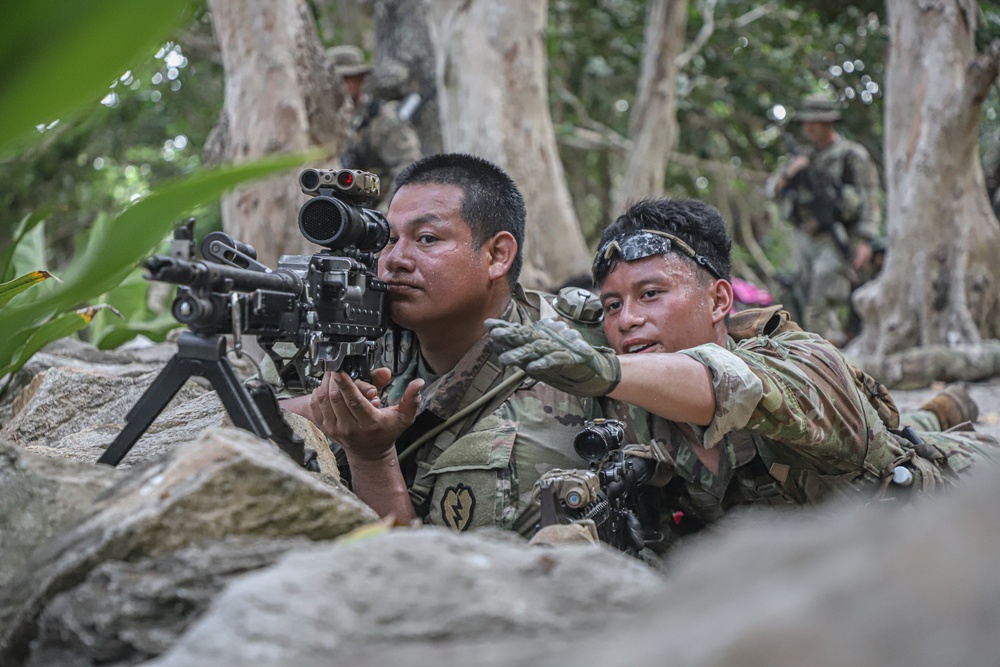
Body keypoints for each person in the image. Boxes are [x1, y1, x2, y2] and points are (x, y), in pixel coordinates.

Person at [488, 197, 996, 546]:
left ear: (719, 299)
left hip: (947, 510)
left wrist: (605, 370)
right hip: (796, 565)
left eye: (651, 294)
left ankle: (937, 417)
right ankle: (935, 410)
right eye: (614, 305)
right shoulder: (632, 402)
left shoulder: (803, 360)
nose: (628, 319)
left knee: (919, 441)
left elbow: (732, 384)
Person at [282, 153, 604, 535]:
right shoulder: (357, 326)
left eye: (427, 239)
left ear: (497, 255)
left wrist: (371, 457)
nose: (395, 260)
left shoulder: (562, 374)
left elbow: (439, 584)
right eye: (387, 240)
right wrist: (300, 411)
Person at [768, 94, 882, 347]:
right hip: (804, 238)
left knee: (822, 298)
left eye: (815, 122)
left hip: (836, 237)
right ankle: (812, 350)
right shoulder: (802, 157)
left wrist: (866, 240)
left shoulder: (851, 154)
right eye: (806, 122)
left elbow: (869, 197)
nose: (809, 127)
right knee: (800, 295)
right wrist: (790, 172)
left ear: (829, 122)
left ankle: (824, 356)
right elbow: (772, 189)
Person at [328, 45, 422, 208]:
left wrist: (386, 213)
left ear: (361, 79)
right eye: (337, 78)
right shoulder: (320, 122)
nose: (343, 84)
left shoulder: (382, 120)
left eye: (350, 77)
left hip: (372, 212)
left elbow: (408, 168)